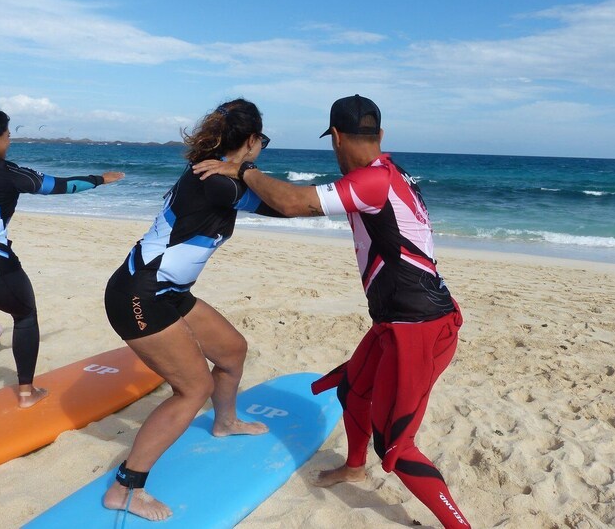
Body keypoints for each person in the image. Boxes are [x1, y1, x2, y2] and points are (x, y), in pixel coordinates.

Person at [194, 95, 471, 528]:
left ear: (336, 137)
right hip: (397, 321)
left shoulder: (374, 181)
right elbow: (299, 202)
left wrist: (244, 170)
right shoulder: (386, 173)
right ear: (379, 135)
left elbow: (294, 202)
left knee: (398, 448)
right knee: (353, 390)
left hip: (420, 328)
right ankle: (354, 467)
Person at [102, 98, 280, 522]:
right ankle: (126, 487)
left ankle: (225, 422)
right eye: (263, 141)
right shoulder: (217, 179)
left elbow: (274, 199)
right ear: (252, 141)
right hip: (140, 294)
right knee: (192, 388)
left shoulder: (216, 169)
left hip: (170, 290)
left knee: (232, 350)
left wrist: (242, 170)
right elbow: (289, 204)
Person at [0, 105, 124, 407]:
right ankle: (27, 394)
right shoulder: (7, 172)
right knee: (25, 315)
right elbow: (61, 186)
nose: (9, 141)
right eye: (7, 135)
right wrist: (100, 179)